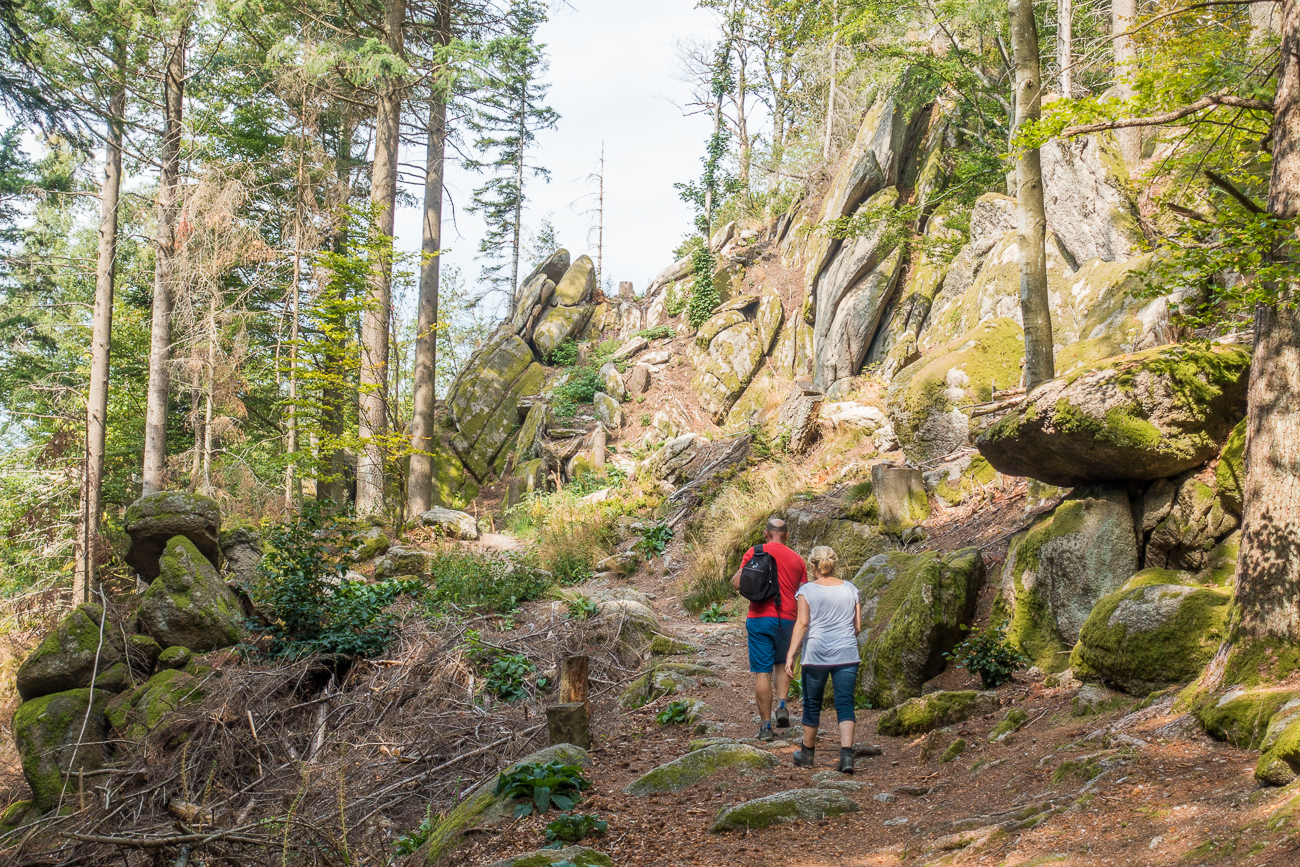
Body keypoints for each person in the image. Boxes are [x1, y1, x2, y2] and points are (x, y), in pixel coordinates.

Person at [785, 545, 862, 773]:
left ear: (812, 565)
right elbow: (857, 627)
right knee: (845, 703)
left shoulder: (806, 591)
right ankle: (846, 757)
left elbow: (802, 624)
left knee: (812, 704)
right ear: (834, 563)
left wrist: (790, 655)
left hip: (816, 655)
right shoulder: (851, 589)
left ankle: (807, 755)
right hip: (847, 653)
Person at [731, 517, 806, 741]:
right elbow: (804, 593)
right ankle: (782, 705)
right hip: (788, 619)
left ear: (766, 534)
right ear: (787, 535)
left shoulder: (755, 551)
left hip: (760, 617)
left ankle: (765, 727)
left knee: (762, 672)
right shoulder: (798, 560)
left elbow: (737, 583)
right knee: (783, 662)